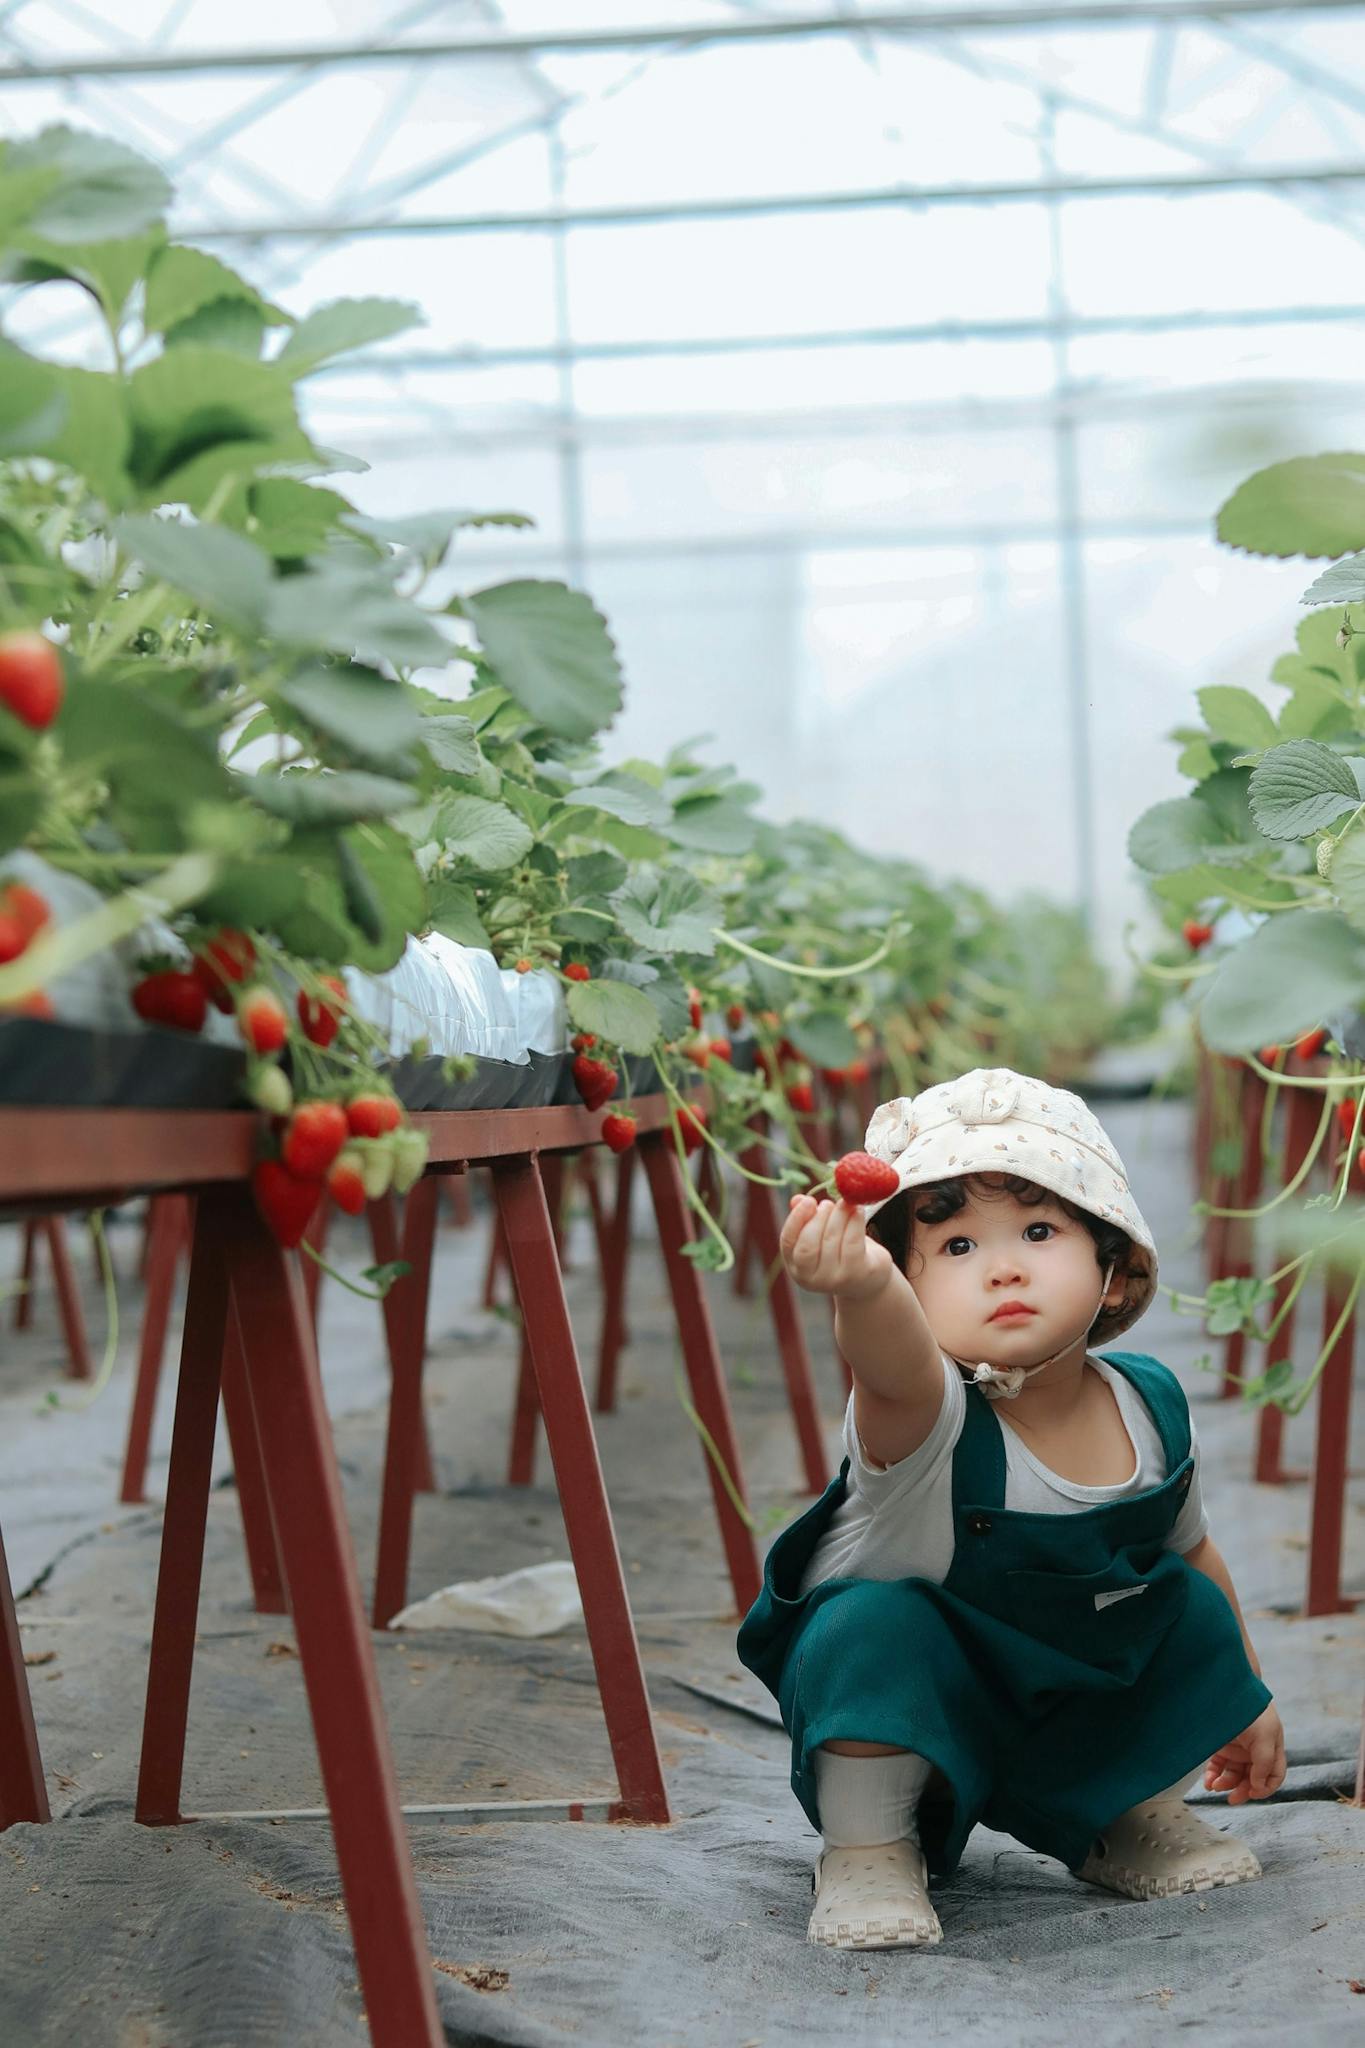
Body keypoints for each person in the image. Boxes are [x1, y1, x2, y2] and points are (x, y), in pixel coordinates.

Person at [736, 1067, 1286, 1952]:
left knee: (1181, 1601)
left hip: (1068, 1702)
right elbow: (889, 1358)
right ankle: (868, 1848)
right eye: (953, 1247)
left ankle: (1127, 1811)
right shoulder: (924, 1418)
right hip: (915, 1721)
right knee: (870, 1623)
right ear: (913, 1294)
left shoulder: (1147, 1405)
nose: (1002, 1267)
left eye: (1037, 1230)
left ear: (1112, 1271)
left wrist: (1245, 1696)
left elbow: (1193, 1554)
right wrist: (863, 1289)